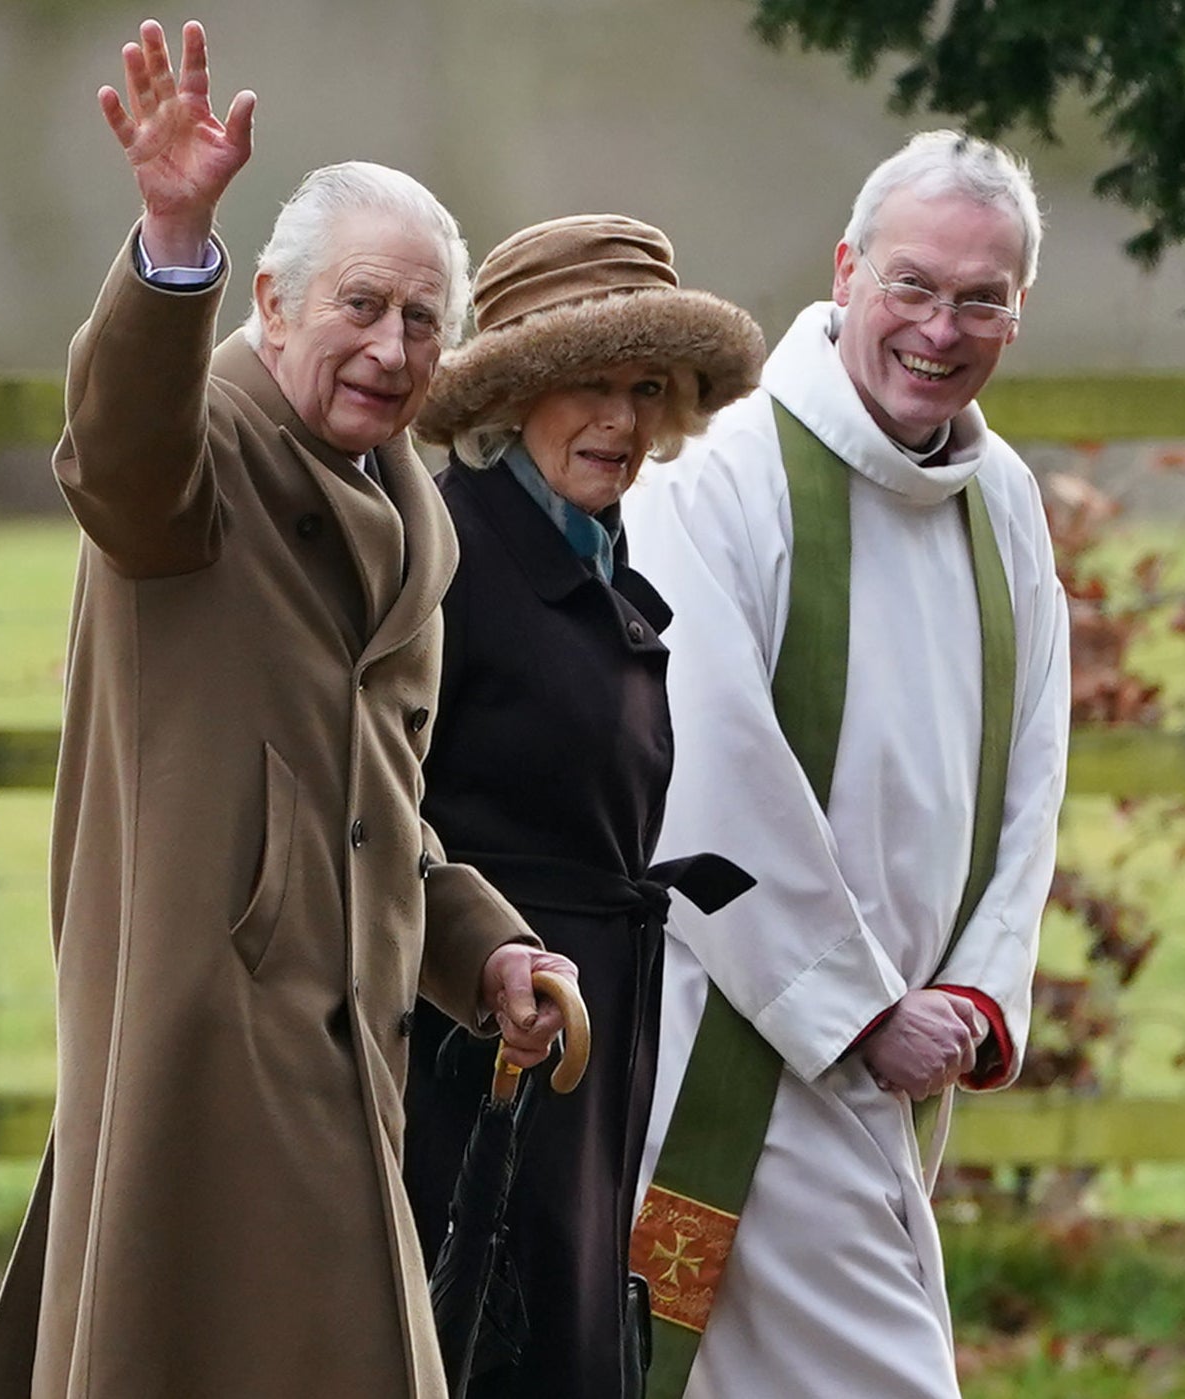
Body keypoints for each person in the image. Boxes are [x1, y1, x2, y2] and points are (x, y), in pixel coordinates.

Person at [0, 20, 575, 1399]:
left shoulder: (411, 510)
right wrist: (171, 244)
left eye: (424, 318)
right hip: (203, 1037)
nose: (390, 343)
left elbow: (371, 797)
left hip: (343, 1031)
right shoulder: (206, 448)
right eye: (360, 303)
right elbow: (117, 451)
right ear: (276, 307)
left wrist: (480, 948)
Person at [622, 130, 1071, 1398]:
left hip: (905, 1063)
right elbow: (690, 762)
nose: (942, 327)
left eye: (982, 298)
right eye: (915, 285)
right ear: (846, 270)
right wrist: (860, 1008)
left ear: (1016, 314)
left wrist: (978, 994)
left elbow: (1036, 771)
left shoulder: (1007, 504)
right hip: (738, 1051)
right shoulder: (719, 473)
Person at [399, 215, 764, 1399]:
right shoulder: (449, 552)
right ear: (515, 397)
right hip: (478, 1042)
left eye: (645, 386)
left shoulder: (602, 556)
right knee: (490, 1350)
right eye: (588, 385)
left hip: (595, 1024)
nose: (622, 419)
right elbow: (384, 800)